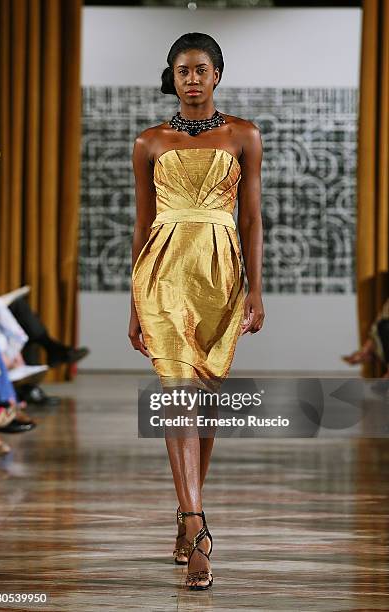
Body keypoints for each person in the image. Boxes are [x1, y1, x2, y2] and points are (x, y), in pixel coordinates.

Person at [129, 32, 264, 590]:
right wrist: (133, 303)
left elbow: (253, 216)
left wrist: (256, 288)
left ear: (217, 74)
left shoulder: (244, 136)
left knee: (204, 398)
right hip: (161, 274)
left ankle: (189, 513)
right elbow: (140, 225)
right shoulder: (148, 142)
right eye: (182, 70)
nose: (191, 79)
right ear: (173, 75)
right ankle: (197, 526)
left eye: (200, 69)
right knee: (178, 392)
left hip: (220, 274)